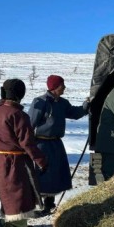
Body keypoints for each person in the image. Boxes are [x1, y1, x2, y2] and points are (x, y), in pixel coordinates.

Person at [29, 74, 89, 215]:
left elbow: (75, 113)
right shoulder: (40, 102)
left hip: (56, 143)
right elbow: (30, 124)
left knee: (54, 173)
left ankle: (49, 203)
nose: (65, 87)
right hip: (41, 144)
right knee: (43, 173)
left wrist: (87, 105)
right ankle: (37, 204)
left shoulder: (62, 103)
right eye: (62, 85)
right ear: (55, 87)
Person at [0, 78, 48, 221]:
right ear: (20, 94)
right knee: (18, 197)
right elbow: (27, 143)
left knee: (7, 194)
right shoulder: (18, 115)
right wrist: (42, 161)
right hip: (15, 163)